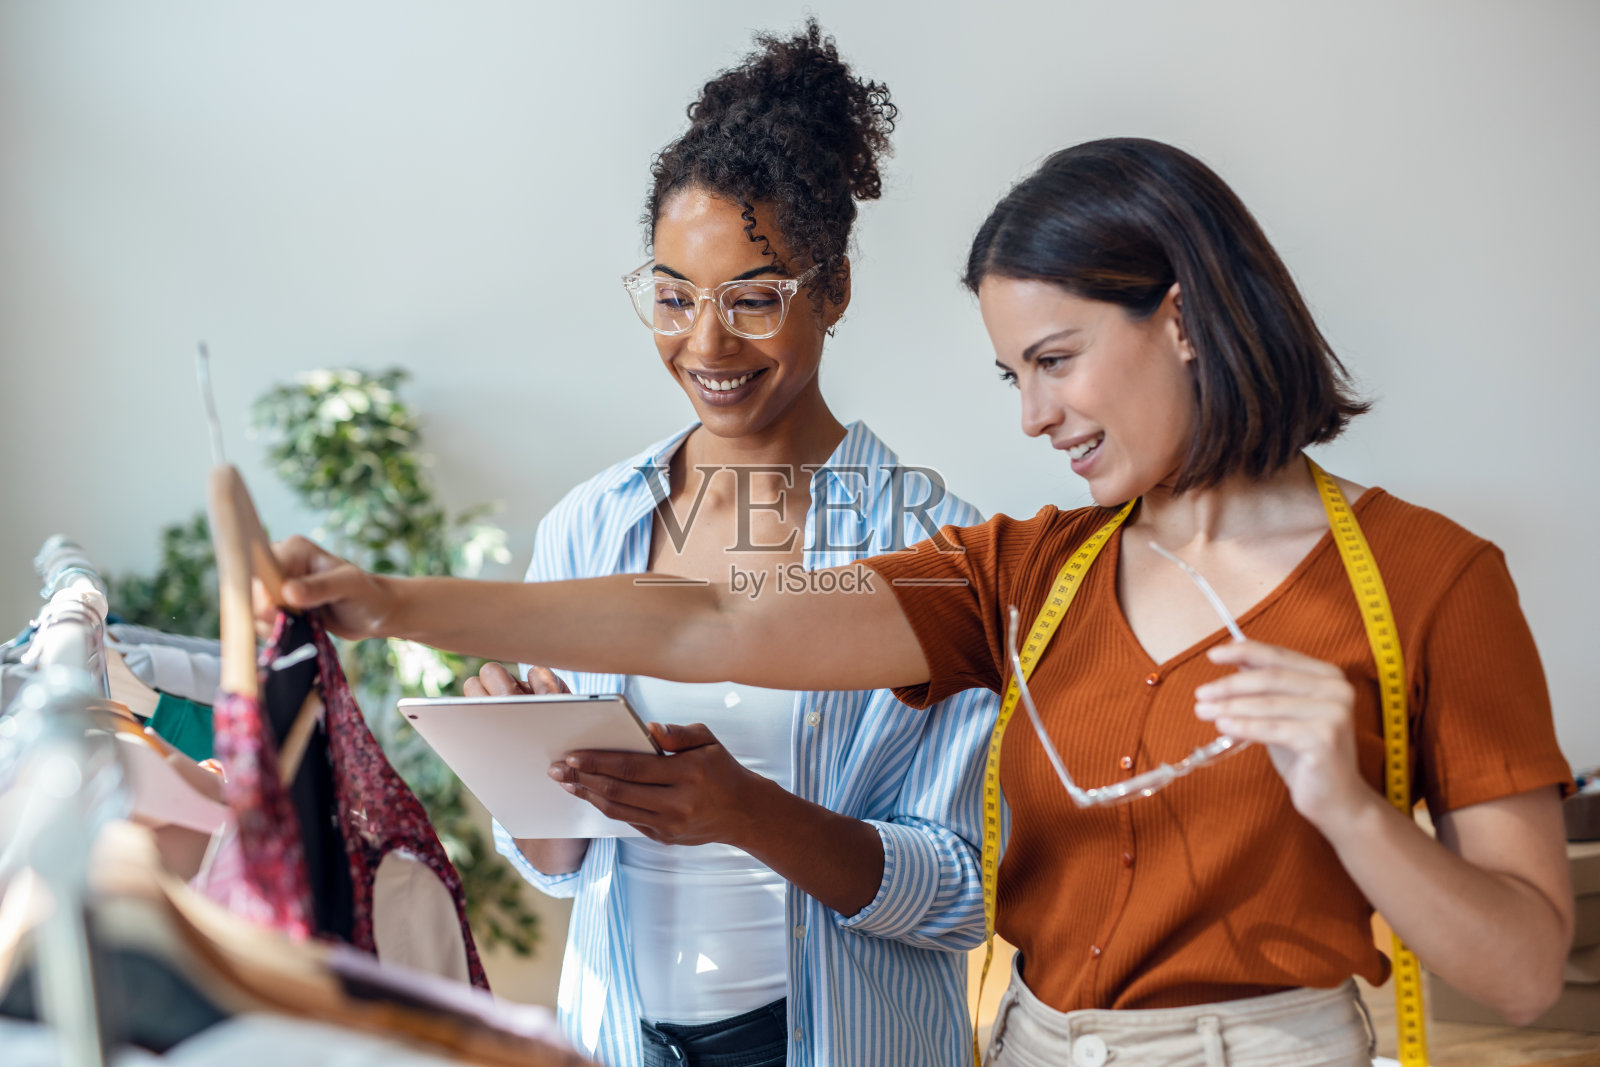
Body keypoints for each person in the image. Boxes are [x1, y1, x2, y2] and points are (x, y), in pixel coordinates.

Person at [272, 138, 1574, 1066]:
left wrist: (1347, 806)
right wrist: (385, 599)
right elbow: (704, 622)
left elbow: (1519, 972)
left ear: (1182, 318)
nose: (1033, 416)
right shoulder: (1028, 572)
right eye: (1012, 371)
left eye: (1057, 361)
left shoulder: (1429, 579)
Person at [456, 22, 996, 1067]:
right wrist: (526, 781)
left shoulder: (936, 547)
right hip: (622, 1036)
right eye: (672, 296)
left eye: (753, 299)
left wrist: (749, 813)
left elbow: (963, 890)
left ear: (833, 290)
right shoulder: (590, 524)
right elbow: (562, 864)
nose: (704, 345)